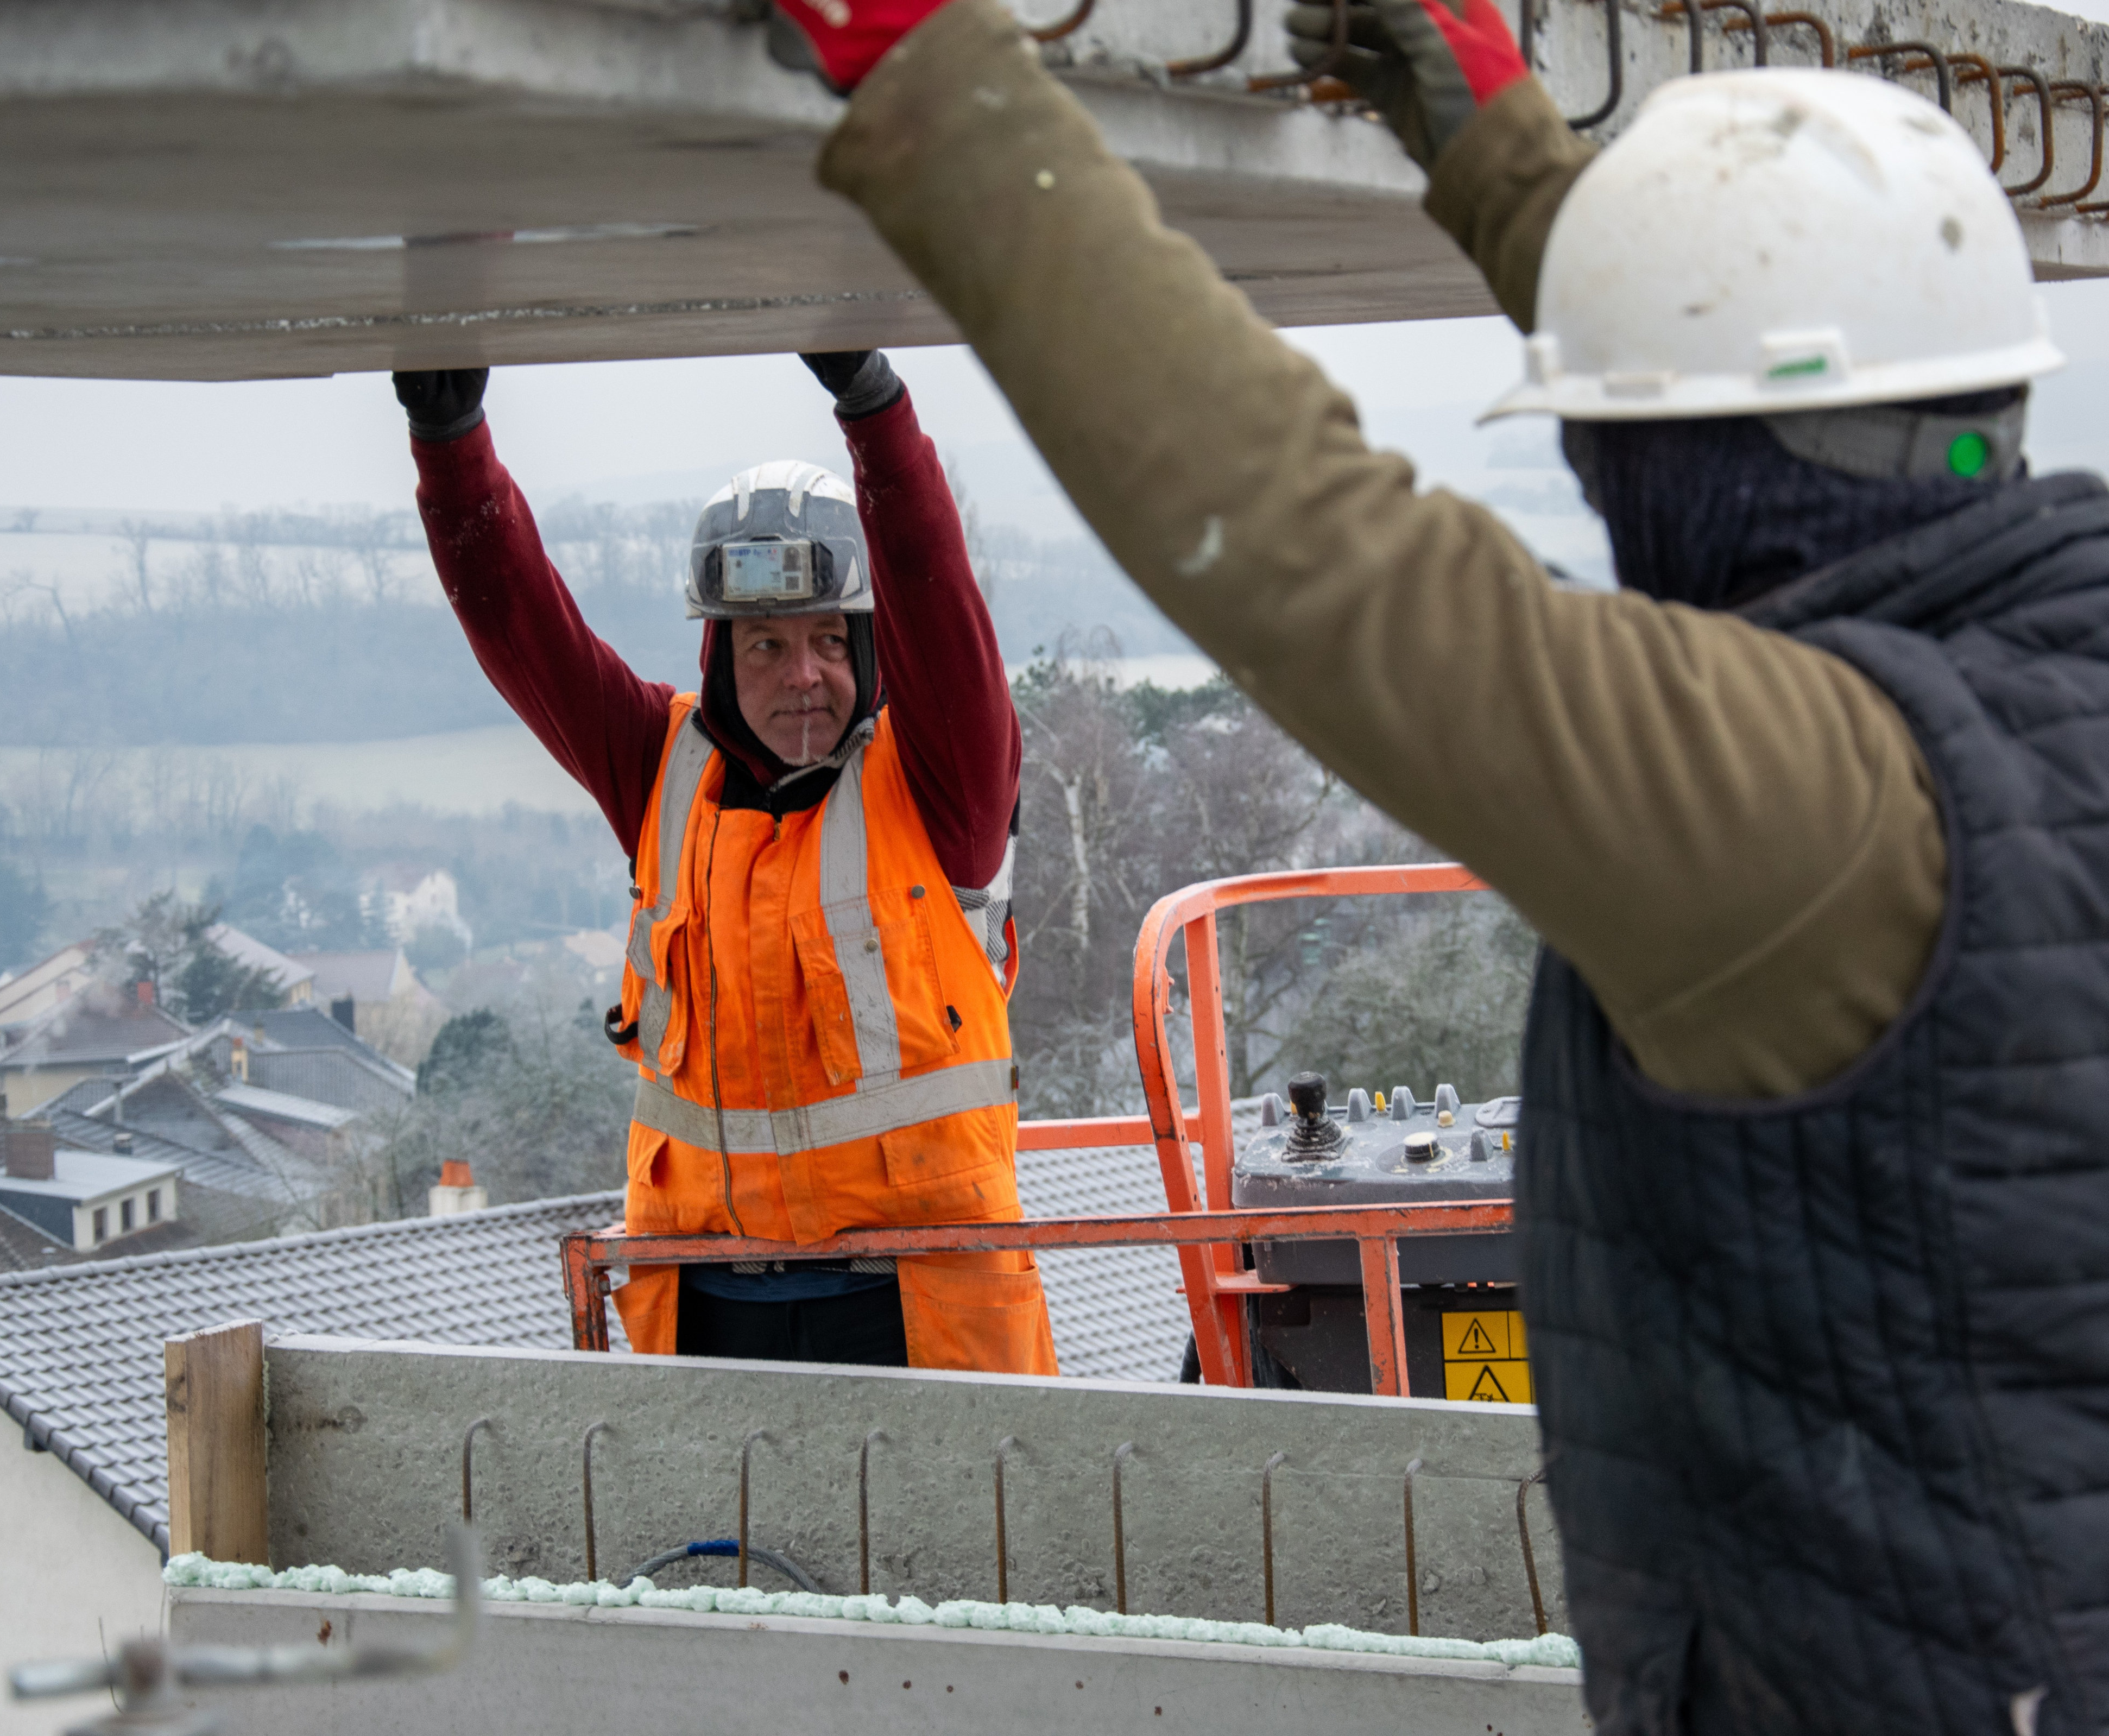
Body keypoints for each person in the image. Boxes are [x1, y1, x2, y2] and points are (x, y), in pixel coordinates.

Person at [758, 3, 2107, 1731]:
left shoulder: (1818, 814)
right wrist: (1497, 152)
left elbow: (1325, 551)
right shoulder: (2043, 659)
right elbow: (1763, 396)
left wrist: (934, 66)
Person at [392, 352, 1058, 1377]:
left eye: (831, 642)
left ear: (871, 651)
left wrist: (875, 412)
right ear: (721, 658)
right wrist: (453, 452)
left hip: (918, 1310)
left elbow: (940, 601)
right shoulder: (662, 771)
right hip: (705, 1311)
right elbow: (523, 628)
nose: (802, 677)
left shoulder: (944, 787)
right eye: (764, 647)